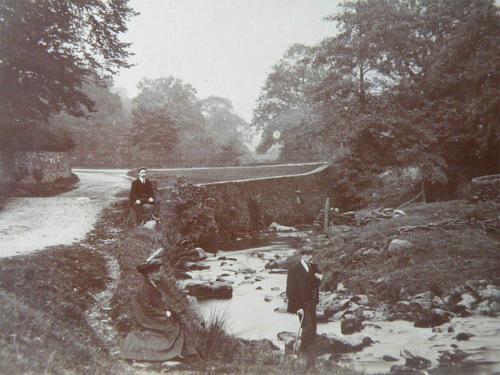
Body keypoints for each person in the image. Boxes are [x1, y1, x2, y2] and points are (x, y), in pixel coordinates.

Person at [119, 259, 198, 362]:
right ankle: (171, 353)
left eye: (159, 271)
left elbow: (157, 303)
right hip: (147, 318)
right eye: (156, 272)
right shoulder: (144, 288)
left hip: (152, 315)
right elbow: (147, 308)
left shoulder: (153, 285)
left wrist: (167, 310)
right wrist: (164, 313)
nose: (159, 274)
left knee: (177, 320)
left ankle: (184, 351)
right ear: (148, 274)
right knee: (173, 326)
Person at [286, 248, 323, 369]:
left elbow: (316, 283)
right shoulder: (294, 269)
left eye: (310, 254)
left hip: (311, 303)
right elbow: (290, 291)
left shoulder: (312, 267)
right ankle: (303, 352)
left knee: (313, 328)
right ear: (302, 256)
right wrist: (297, 307)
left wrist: (319, 277)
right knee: (308, 327)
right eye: (307, 255)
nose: (309, 257)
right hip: (301, 305)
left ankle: (310, 354)